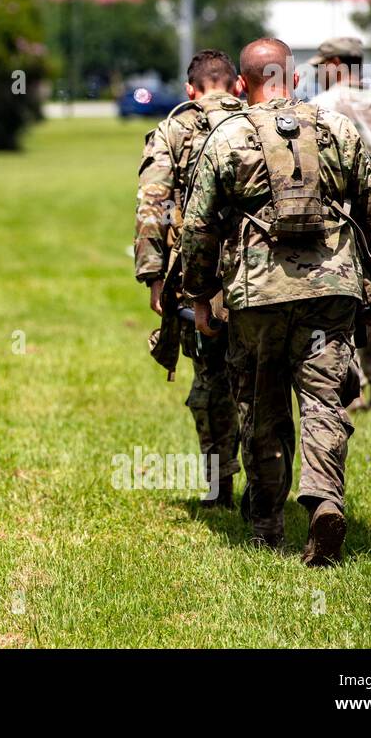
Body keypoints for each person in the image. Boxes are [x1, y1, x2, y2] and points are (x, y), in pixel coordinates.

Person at [181, 38, 371, 566]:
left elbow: (199, 226)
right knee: (325, 400)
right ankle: (324, 500)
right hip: (331, 289)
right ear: (295, 79)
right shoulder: (338, 129)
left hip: (257, 296)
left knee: (262, 404)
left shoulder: (227, 135)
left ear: (240, 85)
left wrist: (201, 295)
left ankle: (267, 525)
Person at [134, 49, 246, 507]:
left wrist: (154, 276)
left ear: (190, 89)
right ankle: (267, 490)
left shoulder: (172, 129)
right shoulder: (261, 119)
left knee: (211, 381)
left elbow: (153, 206)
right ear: (238, 85)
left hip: (202, 278)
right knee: (260, 382)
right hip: (262, 273)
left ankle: (219, 486)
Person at [308, 36, 371, 408]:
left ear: (335, 63)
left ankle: (352, 389)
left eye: (321, 67)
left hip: (341, 215)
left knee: (340, 300)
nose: (318, 74)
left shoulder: (320, 108)